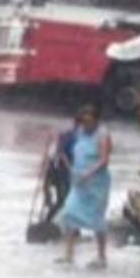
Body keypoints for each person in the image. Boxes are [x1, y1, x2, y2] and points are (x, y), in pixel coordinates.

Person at [58, 104, 113, 269]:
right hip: (78, 181)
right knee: (68, 213)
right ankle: (68, 254)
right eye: (83, 121)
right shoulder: (79, 132)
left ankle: (101, 256)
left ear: (96, 120)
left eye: (89, 121)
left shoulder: (103, 134)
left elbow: (104, 160)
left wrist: (88, 173)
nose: (86, 125)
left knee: (97, 219)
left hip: (97, 183)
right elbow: (67, 146)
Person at [42, 115, 78, 224]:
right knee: (61, 200)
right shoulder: (68, 136)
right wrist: (70, 167)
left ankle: (62, 222)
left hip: (68, 174)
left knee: (68, 200)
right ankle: (47, 221)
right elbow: (60, 152)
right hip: (59, 172)